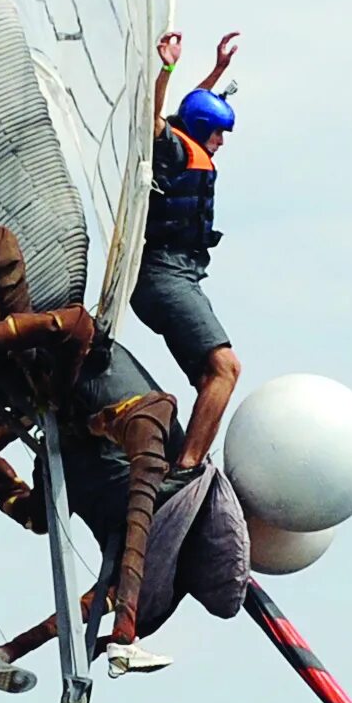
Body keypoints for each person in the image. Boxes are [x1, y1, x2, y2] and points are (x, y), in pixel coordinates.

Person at [131, 31, 242, 477]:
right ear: (200, 131)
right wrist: (167, 68)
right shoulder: (173, 151)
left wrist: (217, 70)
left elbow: (195, 104)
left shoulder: (189, 137)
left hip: (181, 274)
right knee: (225, 369)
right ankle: (188, 466)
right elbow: (152, 114)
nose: (221, 141)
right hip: (164, 275)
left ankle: (187, 455)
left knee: (210, 378)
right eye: (217, 133)